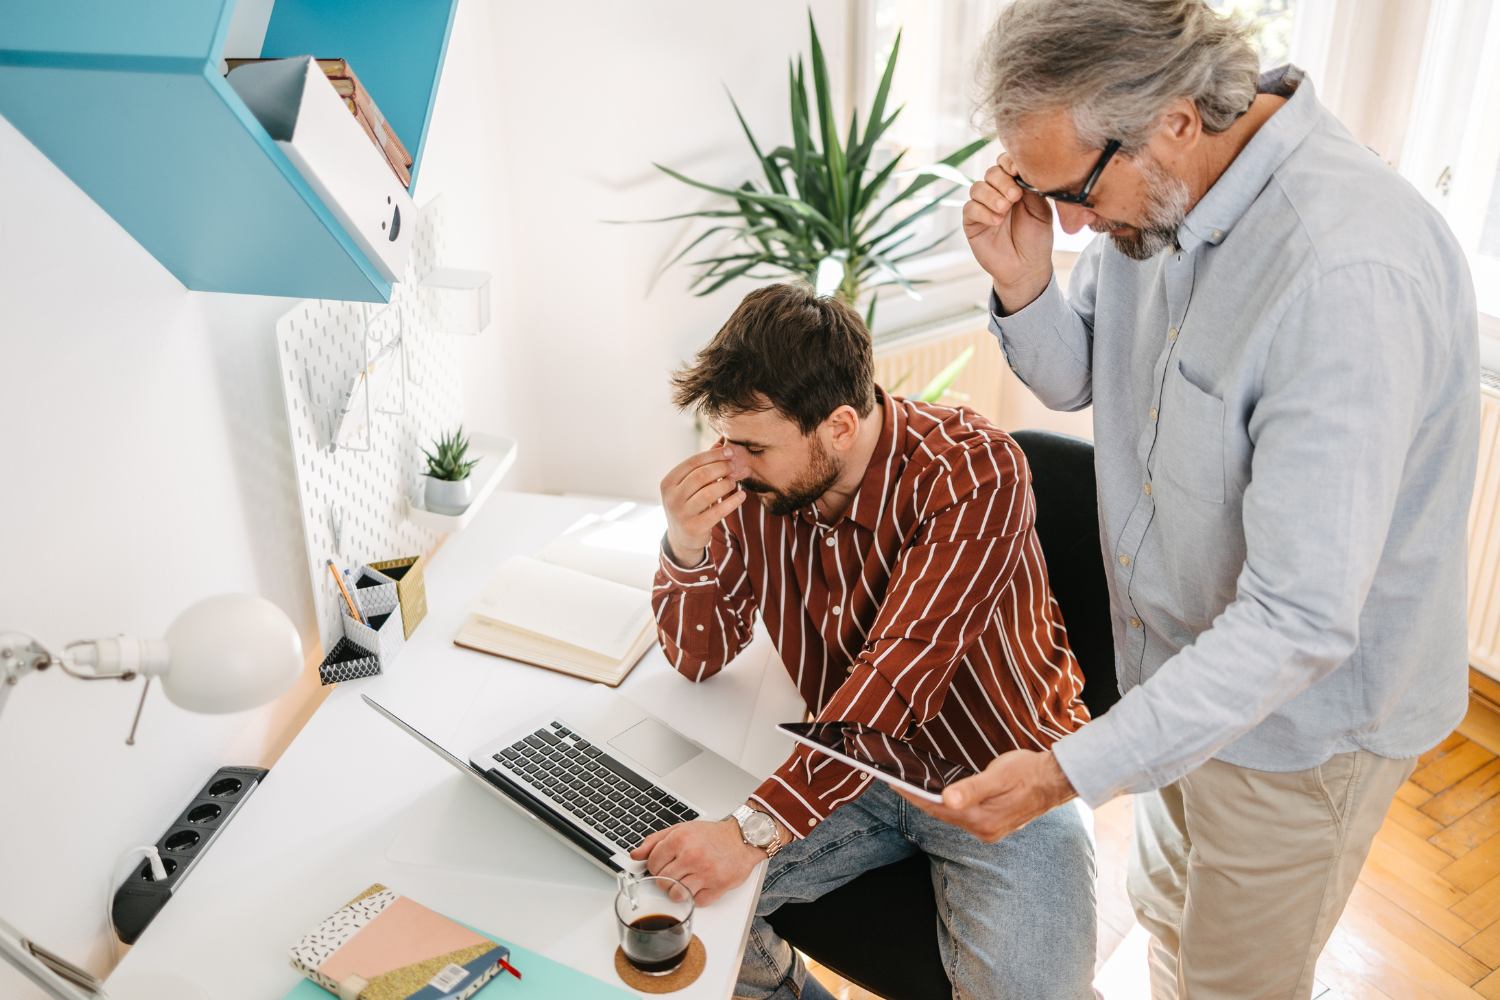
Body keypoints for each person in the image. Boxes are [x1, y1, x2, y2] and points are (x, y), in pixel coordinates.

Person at [921, 1, 1482, 997]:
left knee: (1235, 982)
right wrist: (1023, 282)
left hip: (1301, 730)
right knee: (1170, 913)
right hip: (1177, 680)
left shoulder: (1343, 271)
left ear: (1175, 117)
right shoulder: (1163, 192)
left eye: (1077, 194)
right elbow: (1081, 371)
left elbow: (1297, 618)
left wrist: (1064, 770)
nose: (1078, 223)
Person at [633, 281, 1097, 1000]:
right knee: (663, 906)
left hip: (1001, 775)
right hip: (848, 770)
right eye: (725, 440)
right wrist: (687, 544)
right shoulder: (762, 486)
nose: (732, 464)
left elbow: (896, 680)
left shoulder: (974, 473)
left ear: (840, 427)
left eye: (752, 445)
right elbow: (701, 655)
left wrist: (751, 832)